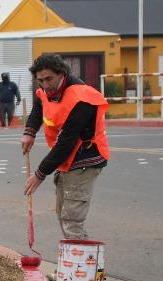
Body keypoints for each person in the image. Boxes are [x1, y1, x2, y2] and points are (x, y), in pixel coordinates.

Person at [21, 52, 109, 240]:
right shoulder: (46, 90)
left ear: (62, 74)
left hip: (85, 159)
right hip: (66, 160)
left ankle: (85, 269)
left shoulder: (81, 98)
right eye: (40, 80)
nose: (45, 85)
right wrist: (30, 131)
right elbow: (39, 104)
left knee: (72, 221)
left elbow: (65, 143)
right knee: (63, 217)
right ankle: (78, 267)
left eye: (49, 79)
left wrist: (39, 174)